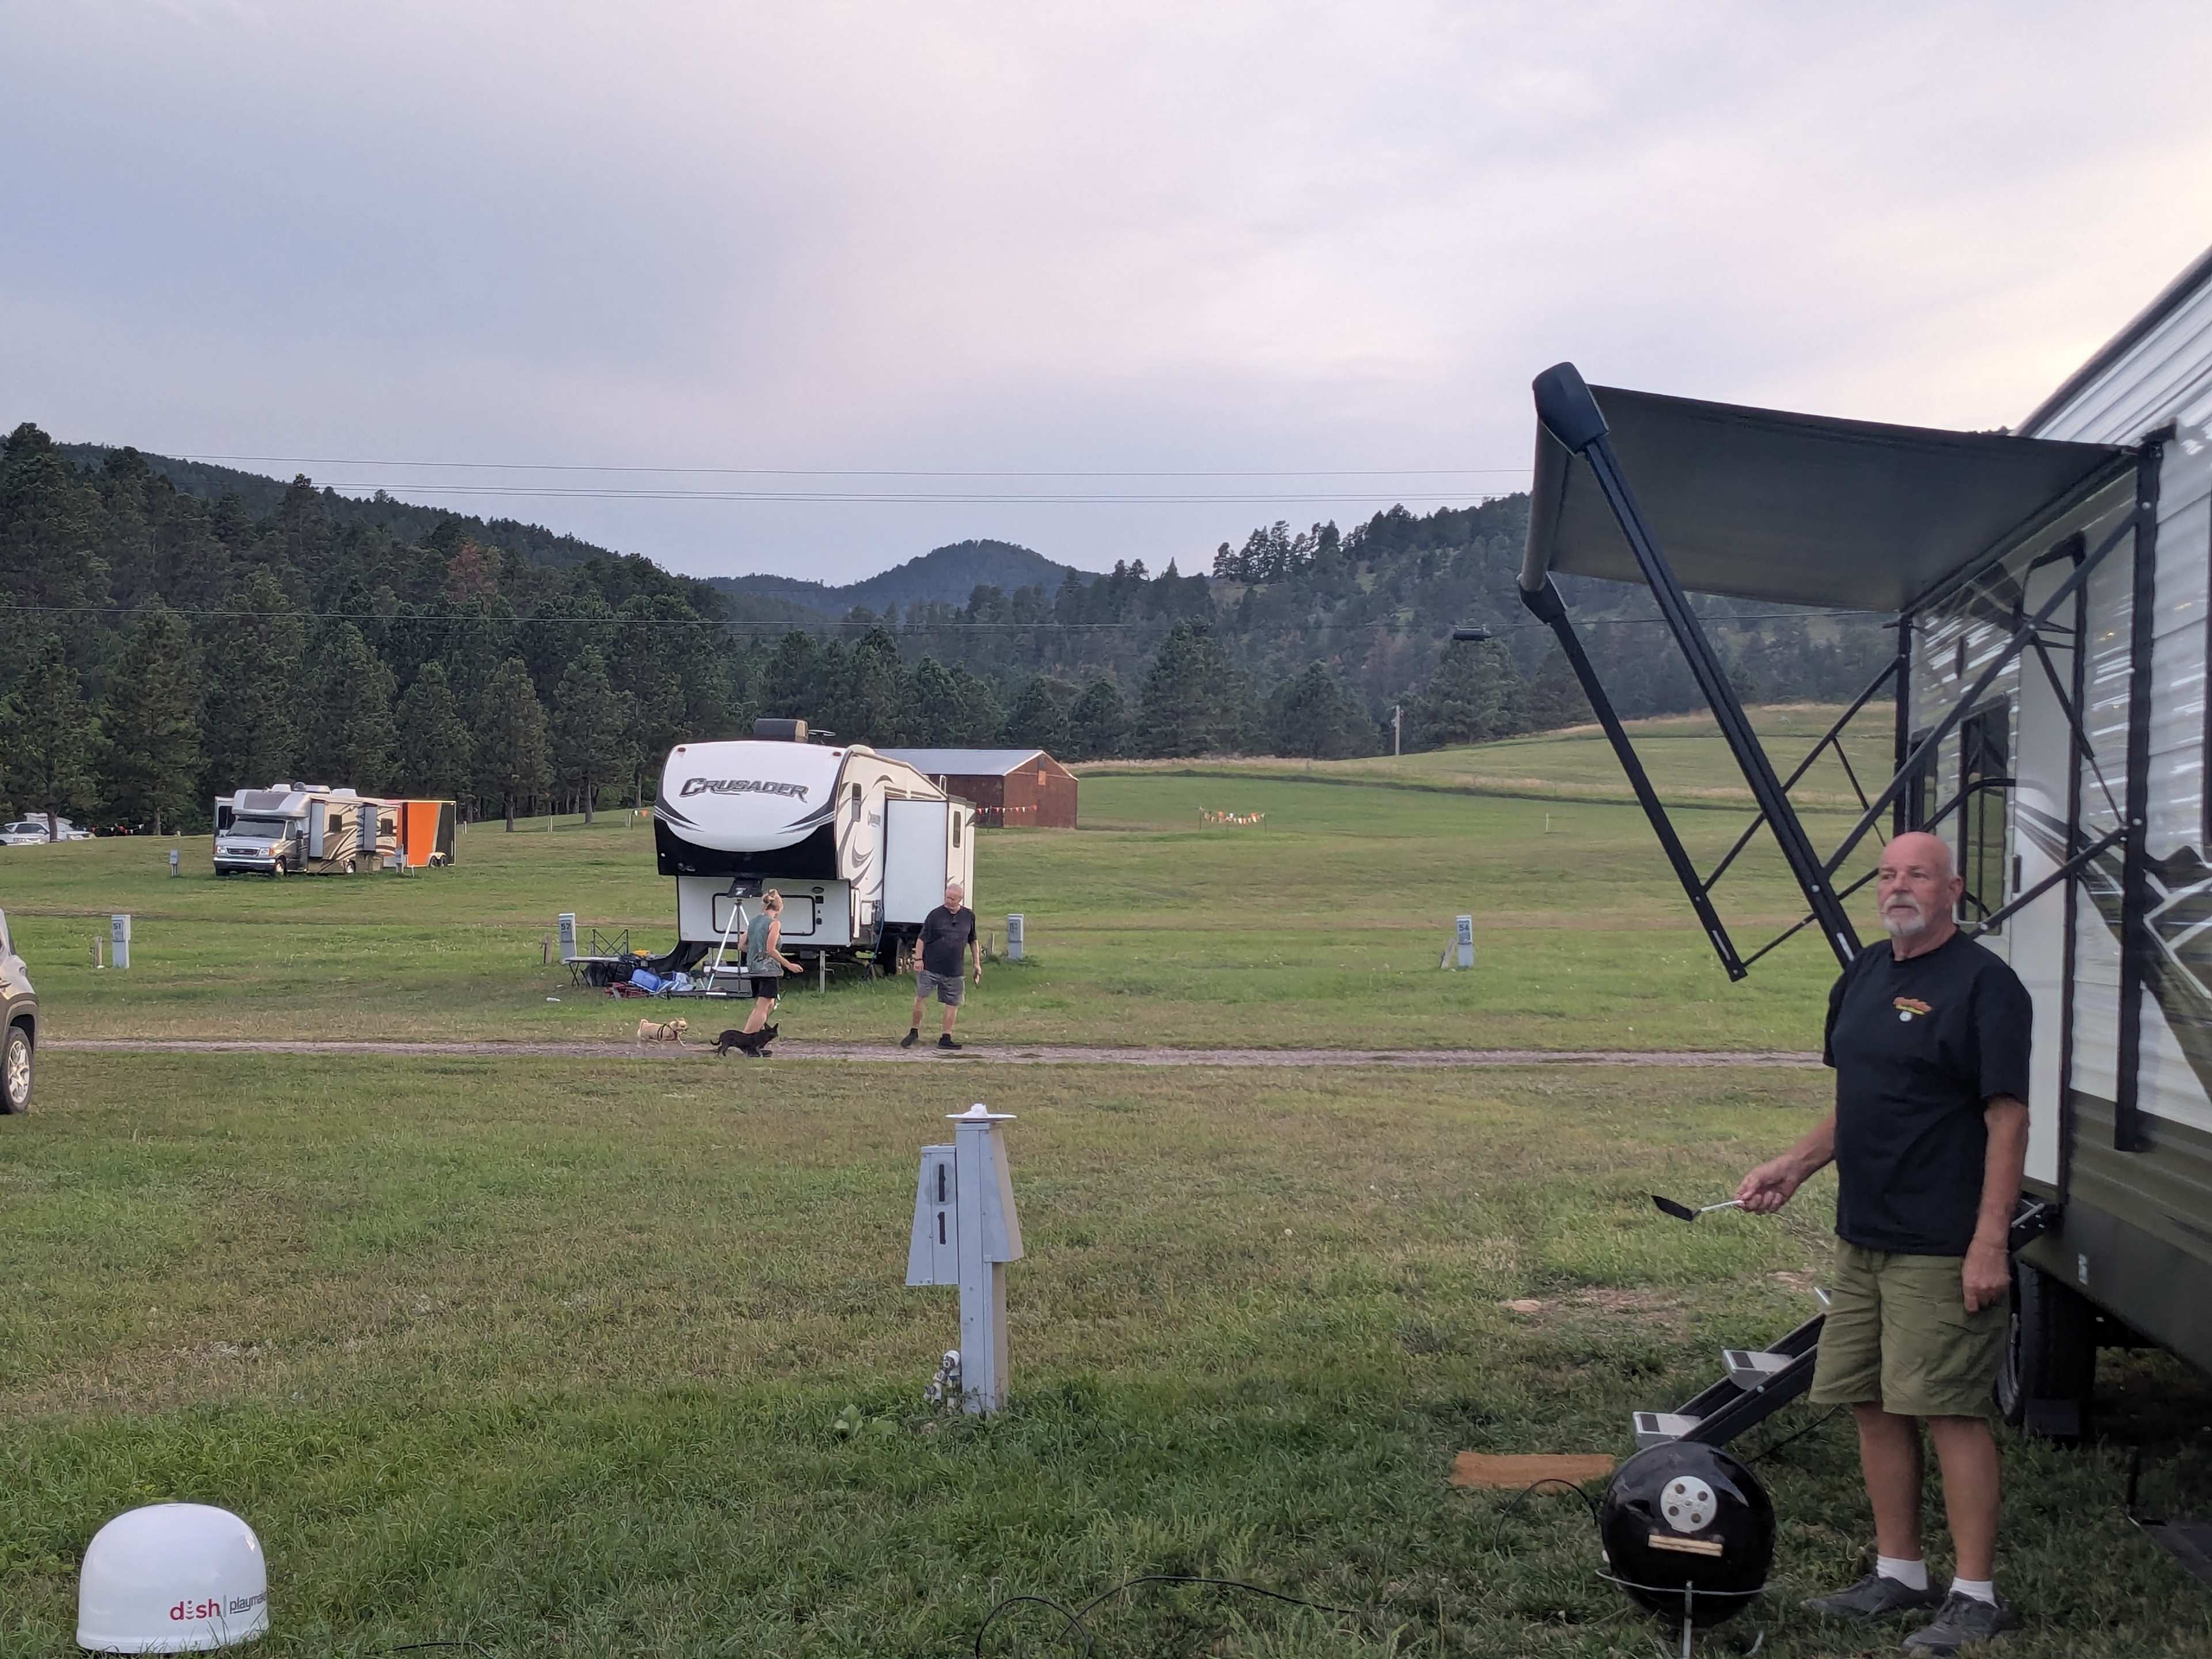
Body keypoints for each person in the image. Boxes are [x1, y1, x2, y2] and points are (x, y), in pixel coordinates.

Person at [1736, 831, 2031, 1654]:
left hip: (1942, 1239)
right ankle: (1899, 1572)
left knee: (1947, 1408)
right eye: (1889, 874)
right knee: (1870, 1401)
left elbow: (2007, 1120)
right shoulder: (1864, 974)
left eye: (1919, 875)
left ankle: (1976, 1594)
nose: (1900, 886)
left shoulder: (1986, 986)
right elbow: (1859, 1094)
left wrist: (1988, 1241)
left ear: (1953, 889)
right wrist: (1795, 1164)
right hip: (1863, 1234)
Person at [901, 881, 980, 1051]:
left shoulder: (969, 916)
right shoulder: (935, 915)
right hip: (930, 967)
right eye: (947, 897)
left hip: (955, 969)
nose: (948, 901)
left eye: (953, 899)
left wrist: (977, 964)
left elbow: (973, 940)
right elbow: (922, 939)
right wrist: (918, 959)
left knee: (953, 1002)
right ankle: (914, 1031)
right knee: (921, 997)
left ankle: (946, 1037)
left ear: (960, 899)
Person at [741, 889, 802, 1035]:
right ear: (779, 908)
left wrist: (755, 951)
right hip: (768, 969)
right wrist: (789, 965)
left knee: (769, 1003)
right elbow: (771, 950)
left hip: (753, 967)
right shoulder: (774, 924)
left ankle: (753, 1034)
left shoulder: (754, 922)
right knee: (763, 1005)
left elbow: (742, 945)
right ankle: (747, 1038)